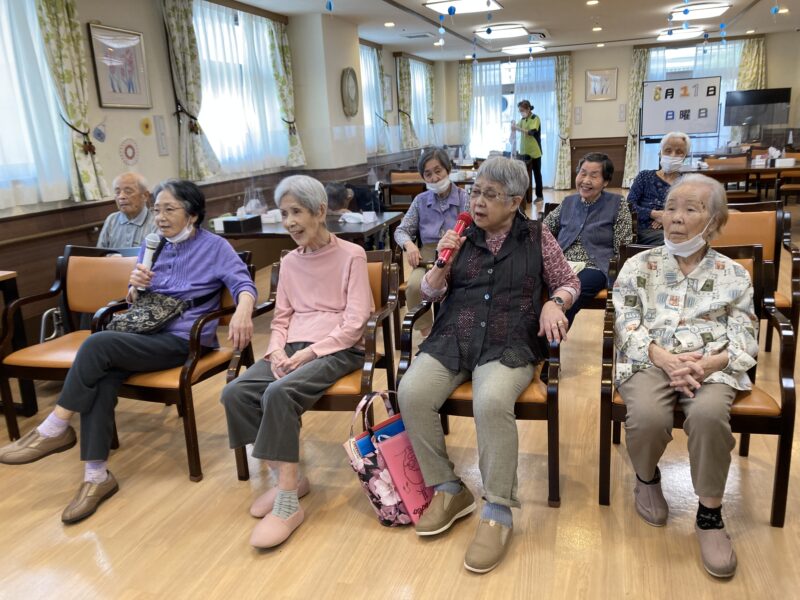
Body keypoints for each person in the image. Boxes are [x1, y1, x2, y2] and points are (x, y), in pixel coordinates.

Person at [0, 180, 257, 523]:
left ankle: (55, 427)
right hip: (145, 333)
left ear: (193, 214)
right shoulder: (154, 244)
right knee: (102, 375)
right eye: (157, 210)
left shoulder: (215, 247)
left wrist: (242, 311)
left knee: (97, 343)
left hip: (183, 340)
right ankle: (96, 475)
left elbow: (243, 284)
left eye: (169, 209)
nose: (160, 217)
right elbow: (135, 299)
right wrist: (134, 288)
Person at [398, 157, 579, 574]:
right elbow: (429, 294)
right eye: (475, 192)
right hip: (454, 336)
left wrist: (555, 302)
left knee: (492, 401)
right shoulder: (461, 234)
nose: (477, 202)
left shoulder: (536, 235)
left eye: (490, 195)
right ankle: (448, 487)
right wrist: (441, 263)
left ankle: (497, 508)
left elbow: (568, 281)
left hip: (509, 338)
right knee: (411, 392)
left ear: (514, 201)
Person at [613, 174, 758, 578]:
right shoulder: (638, 265)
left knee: (709, 416)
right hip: (649, 358)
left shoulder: (733, 274)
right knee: (648, 416)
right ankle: (646, 478)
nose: (675, 217)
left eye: (690, 209)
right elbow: (625, 321)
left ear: (714, 222)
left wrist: (708, 364)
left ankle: (710, 514)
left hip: (710, 363)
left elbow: (745, 336)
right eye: (671, 208)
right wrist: (662, 357)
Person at [221, 175, 373, 550]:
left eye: (296, 212)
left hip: (338, 348)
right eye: (284, 213)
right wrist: (276, 350)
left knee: (279, 393)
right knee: (235, 393)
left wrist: (311, 351)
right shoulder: (289, 261)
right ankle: (289, 478)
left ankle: (288, 502)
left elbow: (356, 321)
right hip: (292, 346)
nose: (289, 222)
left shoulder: (352, 255)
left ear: (320, 211)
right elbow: (282, 317)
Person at [543, 152, 633, 324]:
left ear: (605, 181)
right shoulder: (568, 202)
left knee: (571, 294)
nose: (585, 180)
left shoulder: (617, 204)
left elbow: (623, 245)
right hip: (560, 264)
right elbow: (543, 231)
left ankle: (549, 337)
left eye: (594, 175)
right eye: (582, 173)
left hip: (595, 267)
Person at [394, 147, 469, 336]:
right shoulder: (420, 201)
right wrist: (409, 245)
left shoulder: (464, 197)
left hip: (458, 253)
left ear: (448, 170)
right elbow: (401, 231)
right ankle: (428, 334)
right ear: (423, 177)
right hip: (427, 257)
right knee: (414, 286)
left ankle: (458, 332)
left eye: (438, 171)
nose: (434, 178)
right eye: (428, 174)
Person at [627, 131, 691, 245]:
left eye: (679, 152)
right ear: (660, 153)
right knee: (671, 241)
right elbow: (629, 205)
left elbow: (691, 211)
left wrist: (667, 217)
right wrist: (653, 214)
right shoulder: (644, 176)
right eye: (668, 150)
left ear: (685, 156)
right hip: (645, 230)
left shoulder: (687, 183)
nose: (672, 155)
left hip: (677, 229)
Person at [97, 172, 158, 249]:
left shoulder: (156, 222)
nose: (121, 197)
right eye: (117, 192)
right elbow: (100, 252)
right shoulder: (111, 220)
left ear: (145, 196)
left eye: (128, 192)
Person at [511, 100, 543, 202]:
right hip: (524, 152)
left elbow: (531, 132)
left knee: (537, 174)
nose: (521, 112)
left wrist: (518, 128)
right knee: (524, 175)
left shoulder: (535, 118)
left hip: (535, 152)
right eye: (520, 111)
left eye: (522, 110)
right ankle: (525, 197)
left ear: (528, 109)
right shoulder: (523, 119)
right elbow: (516, 127)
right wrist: (513, 125)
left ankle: (539, 196)